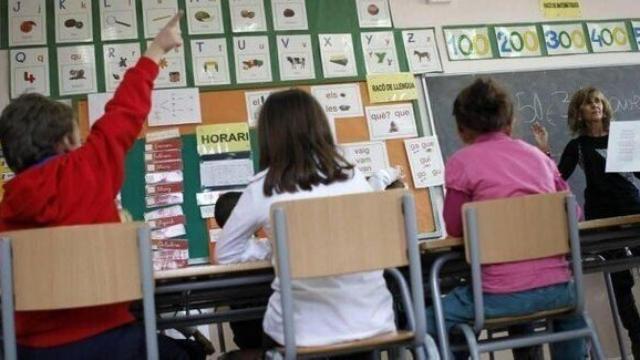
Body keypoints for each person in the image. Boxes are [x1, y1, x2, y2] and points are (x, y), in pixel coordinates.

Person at [0, 12, 204, 360]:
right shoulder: (88, 168)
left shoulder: (5, 213)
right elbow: (125, 112)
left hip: (30, 351)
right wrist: (156, 50)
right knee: (189, 353)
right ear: (66, 141)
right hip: (111, 342)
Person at [215, 89, 399, 358]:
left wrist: (277, 247)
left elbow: (226, 255)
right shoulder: (354, 177)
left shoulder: (264, 187)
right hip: (370, 324)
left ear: (269, 136)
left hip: (299, 333)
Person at [426, 78, 586, 359]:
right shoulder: (539, 158)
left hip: (495, 295)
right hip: (559, 291)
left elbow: (454, 227)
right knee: (573, 314)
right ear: (510, 122)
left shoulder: (461, 163)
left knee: (428, 320)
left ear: (462, 130)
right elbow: (574, 213)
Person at [532, 86, 640, 358]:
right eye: (589, 103)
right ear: (579, 112)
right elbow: (557, 180)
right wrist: (545, 151)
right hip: (602, 216)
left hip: (633, 208)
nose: (596, 107)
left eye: (599, 102)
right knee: (620, 279)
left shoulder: (622, 137)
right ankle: (636, 336)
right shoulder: (578, 146)